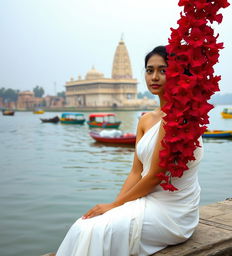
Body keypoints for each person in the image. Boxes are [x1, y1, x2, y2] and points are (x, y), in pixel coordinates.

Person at [56, 46, 203, 256]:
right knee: (85, 223)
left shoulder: (181, 118)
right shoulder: (145, 119)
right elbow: (136, 172)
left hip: (173, 212)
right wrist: (114, 206)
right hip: (146, 201)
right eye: (149, 70)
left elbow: (154, 176)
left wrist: (115, 205)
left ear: (178, 73)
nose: (154, 77)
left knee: (91, 230)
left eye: (163, 70)